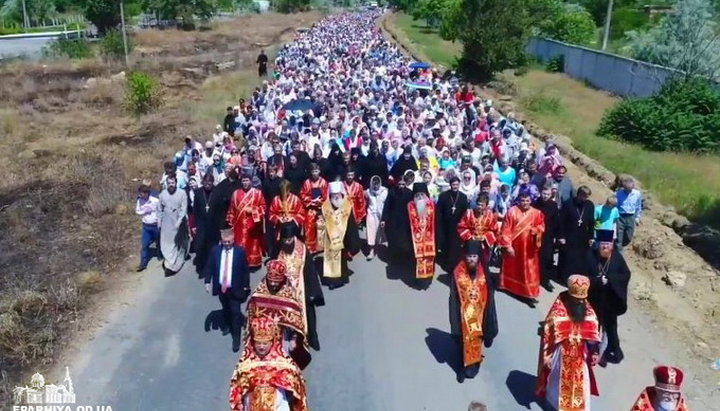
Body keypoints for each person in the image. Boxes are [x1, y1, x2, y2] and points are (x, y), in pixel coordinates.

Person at [536, 275, 601, 411]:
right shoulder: (559, 309)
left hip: (579, 356)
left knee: (581, 386)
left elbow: (592, 333)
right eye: (576, 300)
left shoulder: (588, 311)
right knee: (557, 384)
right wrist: (547, 355)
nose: (579, 303)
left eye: (582, 300)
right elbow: (548, 332)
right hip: (561, 354)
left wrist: (595, 351)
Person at [229, 316, 309, 411]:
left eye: (265, 343)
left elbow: (296, 387)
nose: (261, 347)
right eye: (258, 343)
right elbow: (237, 389)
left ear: (272, 342)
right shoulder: (245, 364)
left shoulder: (284, 363)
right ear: (253, 343)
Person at [246, 260, 311, 369]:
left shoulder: (290, 296)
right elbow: (252, 314)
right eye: (271, 281)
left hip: (282, 337)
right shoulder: (259, 293)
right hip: (263, 335)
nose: (273, 284)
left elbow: (296, 322)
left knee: (281, 364)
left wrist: (294, 338)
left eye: (276, 282)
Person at [449, 240, 497, 381]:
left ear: (478, 257)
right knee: (463, 343)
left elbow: (490, 295)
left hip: (480, 316)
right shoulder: (458, 272)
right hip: (463, 317)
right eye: (469, 256)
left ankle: (473, 364)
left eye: (474, 257)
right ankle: (462, 367)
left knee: (476, 341)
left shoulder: (484, 273)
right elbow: (454, 296)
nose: (471, 260)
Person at [274, 222, 325, 351]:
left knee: (308, 314)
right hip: (286, 289)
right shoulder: (279, 250)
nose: (287, 243)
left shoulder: (302, 251)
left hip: (303, 288)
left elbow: (310, 272)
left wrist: (312, 292)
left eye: (289, 240)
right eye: (284, 240)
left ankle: (312, 337)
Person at [204, 229, 250, 352]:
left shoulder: (240, 252)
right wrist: (207, 281)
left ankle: (236, 338)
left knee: (235, 312)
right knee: (226, 308)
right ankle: (227, 325)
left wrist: (246, 286)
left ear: (233, 240)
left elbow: (245, 270)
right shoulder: (215, 251)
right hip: (221, 289)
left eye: (229, 242)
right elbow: (209, 266)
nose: (227, 244)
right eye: (225, 242)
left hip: (235, 288)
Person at [586, 235, 631, 365]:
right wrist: (598, 281)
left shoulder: (617, 258)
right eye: (602, 244)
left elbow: (626, 275)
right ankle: (593, 352)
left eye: (608, 244)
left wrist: (611, 280)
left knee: (610, 328)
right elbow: (584, 275)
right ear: (598, 244)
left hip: (610, 300)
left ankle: (611, 351)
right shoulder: (590, 256)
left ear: (612, 245)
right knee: (593, 326)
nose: (605, 247)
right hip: (593, 298)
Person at [498, 192, 545, 305]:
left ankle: (528, 292)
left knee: (528, 271)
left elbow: (541, 226)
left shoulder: (537, 213)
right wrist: (507, 245)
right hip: (514, 246)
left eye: (527, 200)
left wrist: (536, 230)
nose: (525, 203)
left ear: (531, 200)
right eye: (523, 201)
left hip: (529, 249)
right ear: (519, 200)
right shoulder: (512, 211)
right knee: (513, 268)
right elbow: (506, 229)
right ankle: (508, 286)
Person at [318, 181, 361, 289]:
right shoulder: (325, 206)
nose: (336, 197)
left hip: (343, 238)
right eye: (333, 195)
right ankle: (333, 281)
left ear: (341, 194)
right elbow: (321, 221)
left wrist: (353, 243)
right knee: (330, 260)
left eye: (338, 195)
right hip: (330, 238)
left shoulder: (347, 206)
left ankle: (342, 278)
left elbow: (351, 225)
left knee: (341, 260)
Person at [226, 174, 266, 270]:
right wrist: (230, 222)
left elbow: (263, 207)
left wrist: (253, 210)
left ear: (251, 181)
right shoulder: (236, 193)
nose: (245, 183)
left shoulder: (257, 193)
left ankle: (253, 264)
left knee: (252, 244)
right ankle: (240, 264)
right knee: (240, 245)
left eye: (247, 180)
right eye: (243, 181)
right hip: (239, 225)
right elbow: (232, 209)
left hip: (252, 225)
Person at [558, 186, 595, 282]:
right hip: (569, 235)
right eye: (584, 197)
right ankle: (565, 278)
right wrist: (561, 236)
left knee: (580, 258)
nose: (585, 199)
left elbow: (591, 222)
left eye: (587, 197)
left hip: (583, 236)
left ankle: (577, 278)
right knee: (568, 258)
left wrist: (591, 237)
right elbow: (561, 221)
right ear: (579, 195)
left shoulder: (590, 205)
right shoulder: (568, 204)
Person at [407, 183, 436, 289]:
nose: (420, 197)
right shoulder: (410, 207)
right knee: (416, 262)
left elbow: (437, 223)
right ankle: (419, 281)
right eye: (417, 195)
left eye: (422, 195)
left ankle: (428, 280)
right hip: (415, 241)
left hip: (430, 240)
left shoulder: (432, 206)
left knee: (429, 261)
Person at [436, 176, 469, 272]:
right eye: (453, 184)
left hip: (457, 226)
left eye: (457, 184)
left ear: (459, 185)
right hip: (445, 225)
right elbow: (439, 211)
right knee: (446, 245)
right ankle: (445, 263)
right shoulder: (443, 196)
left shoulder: (463, 197)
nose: (455, 186)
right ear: (450, 185)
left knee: (455, 246)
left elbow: (465, 212)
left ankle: (454, 265)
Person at [158, 175, 189, 276]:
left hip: (178, 219)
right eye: (169, 183)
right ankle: (169, 261)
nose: (171, 185)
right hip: (167, 220)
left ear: (176, 183)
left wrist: (179, 221)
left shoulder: (182, 193)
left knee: (178, 242)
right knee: (167, 241)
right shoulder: (163, 194)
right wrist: (159, 220)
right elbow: (159, 209)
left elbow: (184, 209)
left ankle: (176, 263)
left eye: (173, 183)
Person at [381, 172, 414, 264]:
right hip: (393, 219)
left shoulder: (409, 193)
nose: (401, 186)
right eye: (399, 184)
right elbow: (387, 205)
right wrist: (384, 219)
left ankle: (403, 258)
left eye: (403, 184)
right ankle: (393, 258)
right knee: (393, 239)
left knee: (404, 241)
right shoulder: (392, 192)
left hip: (405, 221)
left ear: (406, 184)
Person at [457, 194, 499, 262]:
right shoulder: (469, 213)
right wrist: (470, 236)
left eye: (482, 205)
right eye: (478, 204)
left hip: (484, 243)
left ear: (486, 206)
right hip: (470, 242)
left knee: (482, 263)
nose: (479, 207)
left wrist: (485, 237)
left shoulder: (490, 215)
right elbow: (461, 227)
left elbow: (494, 230)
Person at [533, 185, 559, 291]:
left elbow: (557, 221)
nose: (545, 196)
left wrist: (558, 236)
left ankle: (545, 280)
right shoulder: (535, 204)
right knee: (535, 258)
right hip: (535, 235)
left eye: (548, 194)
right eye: (544, 194)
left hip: (548, 236)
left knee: (547, 259)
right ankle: (534, 279)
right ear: (540, 193)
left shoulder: (553, 205)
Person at [299, 164, 328, 254]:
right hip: (310, 209)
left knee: (320, 227)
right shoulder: (307, 182)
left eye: (316, 171)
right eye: (313, 172)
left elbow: (326, 195)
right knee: (309, 227)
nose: (315, 173)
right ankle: (310, 248)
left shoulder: (323, 182)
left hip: (320, 208)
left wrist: (320, 201)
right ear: (311, 172)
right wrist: (311, 200)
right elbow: (302, 194)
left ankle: (320, 247)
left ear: (319, 171)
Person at [192, 173, 215, 277]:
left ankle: (212, 270)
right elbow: (195, 210)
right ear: (203, 182)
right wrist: (193, 225)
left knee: (212, 248)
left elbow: (220, 210)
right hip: (201, 225)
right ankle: (202, 269)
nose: (207, 185)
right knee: (201, 247)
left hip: (213, 225)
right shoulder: (198, 193)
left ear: (212, 182)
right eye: (205, 182)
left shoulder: (217, 192)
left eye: (209, 183)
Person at [269, 179, 305, 244]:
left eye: (286, 191)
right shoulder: (276, 199)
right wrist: (278, 219)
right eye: (282, 191)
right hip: (280, 226)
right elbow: (271, 214)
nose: (284, 193)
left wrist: (292, 218)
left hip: (292, 226)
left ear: (289, 189)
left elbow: (301, 214)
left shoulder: (295, 199)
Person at [135, 183, 160, 272]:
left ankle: (160, 255)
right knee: (144, 245)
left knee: (159, 242)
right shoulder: (139, 201)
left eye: (141, 194)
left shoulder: (155, 201)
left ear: (146, 193)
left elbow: (161, 211)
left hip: (155, 225)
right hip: (146, 226)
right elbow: (137, 211)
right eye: (139, 194)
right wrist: (144, 211)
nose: (140, 195)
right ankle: (143, 263)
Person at [615, 175, 643, 251]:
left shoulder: (637, 194)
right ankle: (618, 251)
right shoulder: (618, 193)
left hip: (631, 217)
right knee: (619, 237)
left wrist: (637, 217)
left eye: (630, 189)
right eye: (626, 189)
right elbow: (615, 206)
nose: (628, 191)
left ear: (633, 187)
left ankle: (620, 246)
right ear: (623, 187)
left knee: (628, 237)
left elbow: (638, 206)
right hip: (620, 216)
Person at [365, 175, 388, 260]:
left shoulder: (385, 191)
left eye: (377, 184)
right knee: (371, 232)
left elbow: (387, 204)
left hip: (381, 215)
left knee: (380, 233)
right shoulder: (368, 192)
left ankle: (379, 249)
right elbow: (366, 202)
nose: (375, 186)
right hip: (371, 213)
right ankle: (371, 251)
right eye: (374, 184)